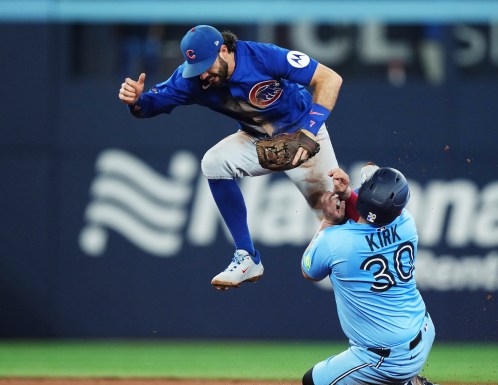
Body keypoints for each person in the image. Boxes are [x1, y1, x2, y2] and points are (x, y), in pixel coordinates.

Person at [118, 25, 342, 290]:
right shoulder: (190, 79)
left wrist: (309, 132)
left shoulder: (262, 56)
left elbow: (329, 79)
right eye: (195, 66)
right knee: (213, 163)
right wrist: (136, 101)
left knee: (338, 216)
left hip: (304, 138)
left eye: (206, 65)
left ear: (224, 50)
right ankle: (247, 257)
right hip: (255, 139)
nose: (202, 73)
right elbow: (150, 106)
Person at [300, 165, 448, 385]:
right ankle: (403, 380)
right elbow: (373, 216)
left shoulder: (336, 241)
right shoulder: (406, 224)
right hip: (424, 330)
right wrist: (348, 194)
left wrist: (328, 221)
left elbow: (309, 270)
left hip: (385, 360)